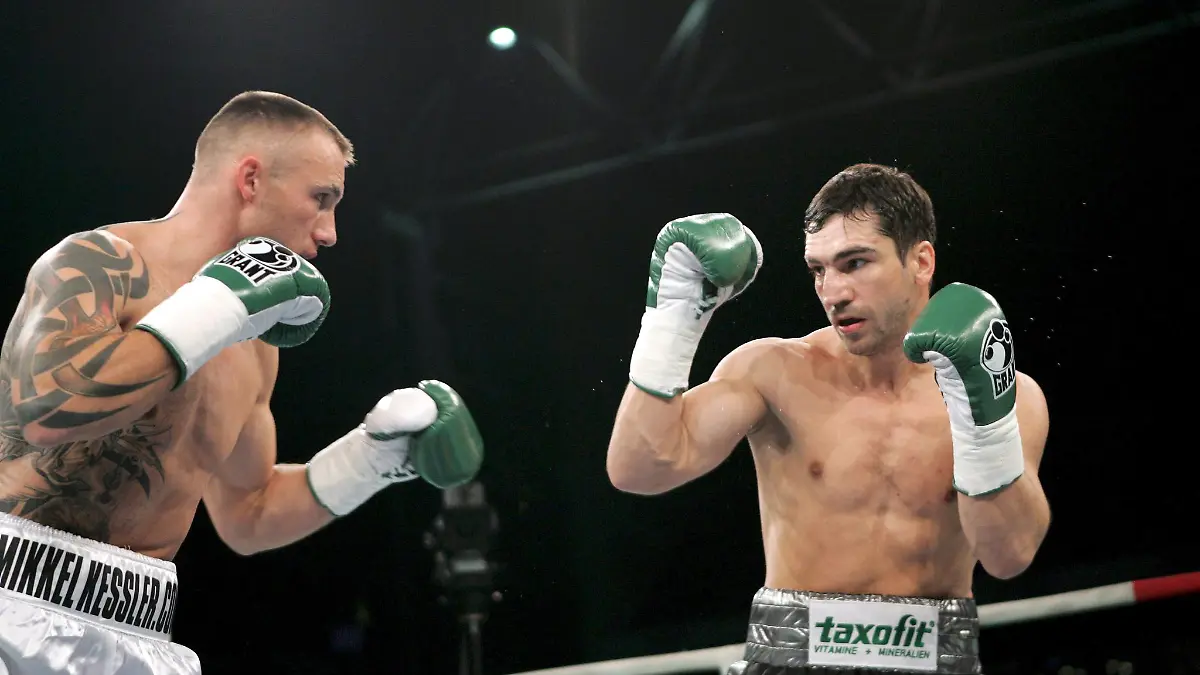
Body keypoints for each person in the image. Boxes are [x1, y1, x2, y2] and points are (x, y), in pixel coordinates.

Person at [0, 91, 485, 674]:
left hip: (139, 629)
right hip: (14, 599)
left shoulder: (253, 346)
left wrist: (372, 459)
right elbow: (50, 408)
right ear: (251, 179)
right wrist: (216, 306)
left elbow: (249, 514)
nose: (329, 233)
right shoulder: (101, 262)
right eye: (321, 199)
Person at [606, 163, 1051, 674]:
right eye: (819, 269)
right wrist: (675, 318)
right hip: (793, 657)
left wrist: (983, 428)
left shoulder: (1008, 394)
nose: (833, 292)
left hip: (936, 658)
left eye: (855, 263)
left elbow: (1009, 555)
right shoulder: (773, 372)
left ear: (921, 260)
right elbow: (639, 469)